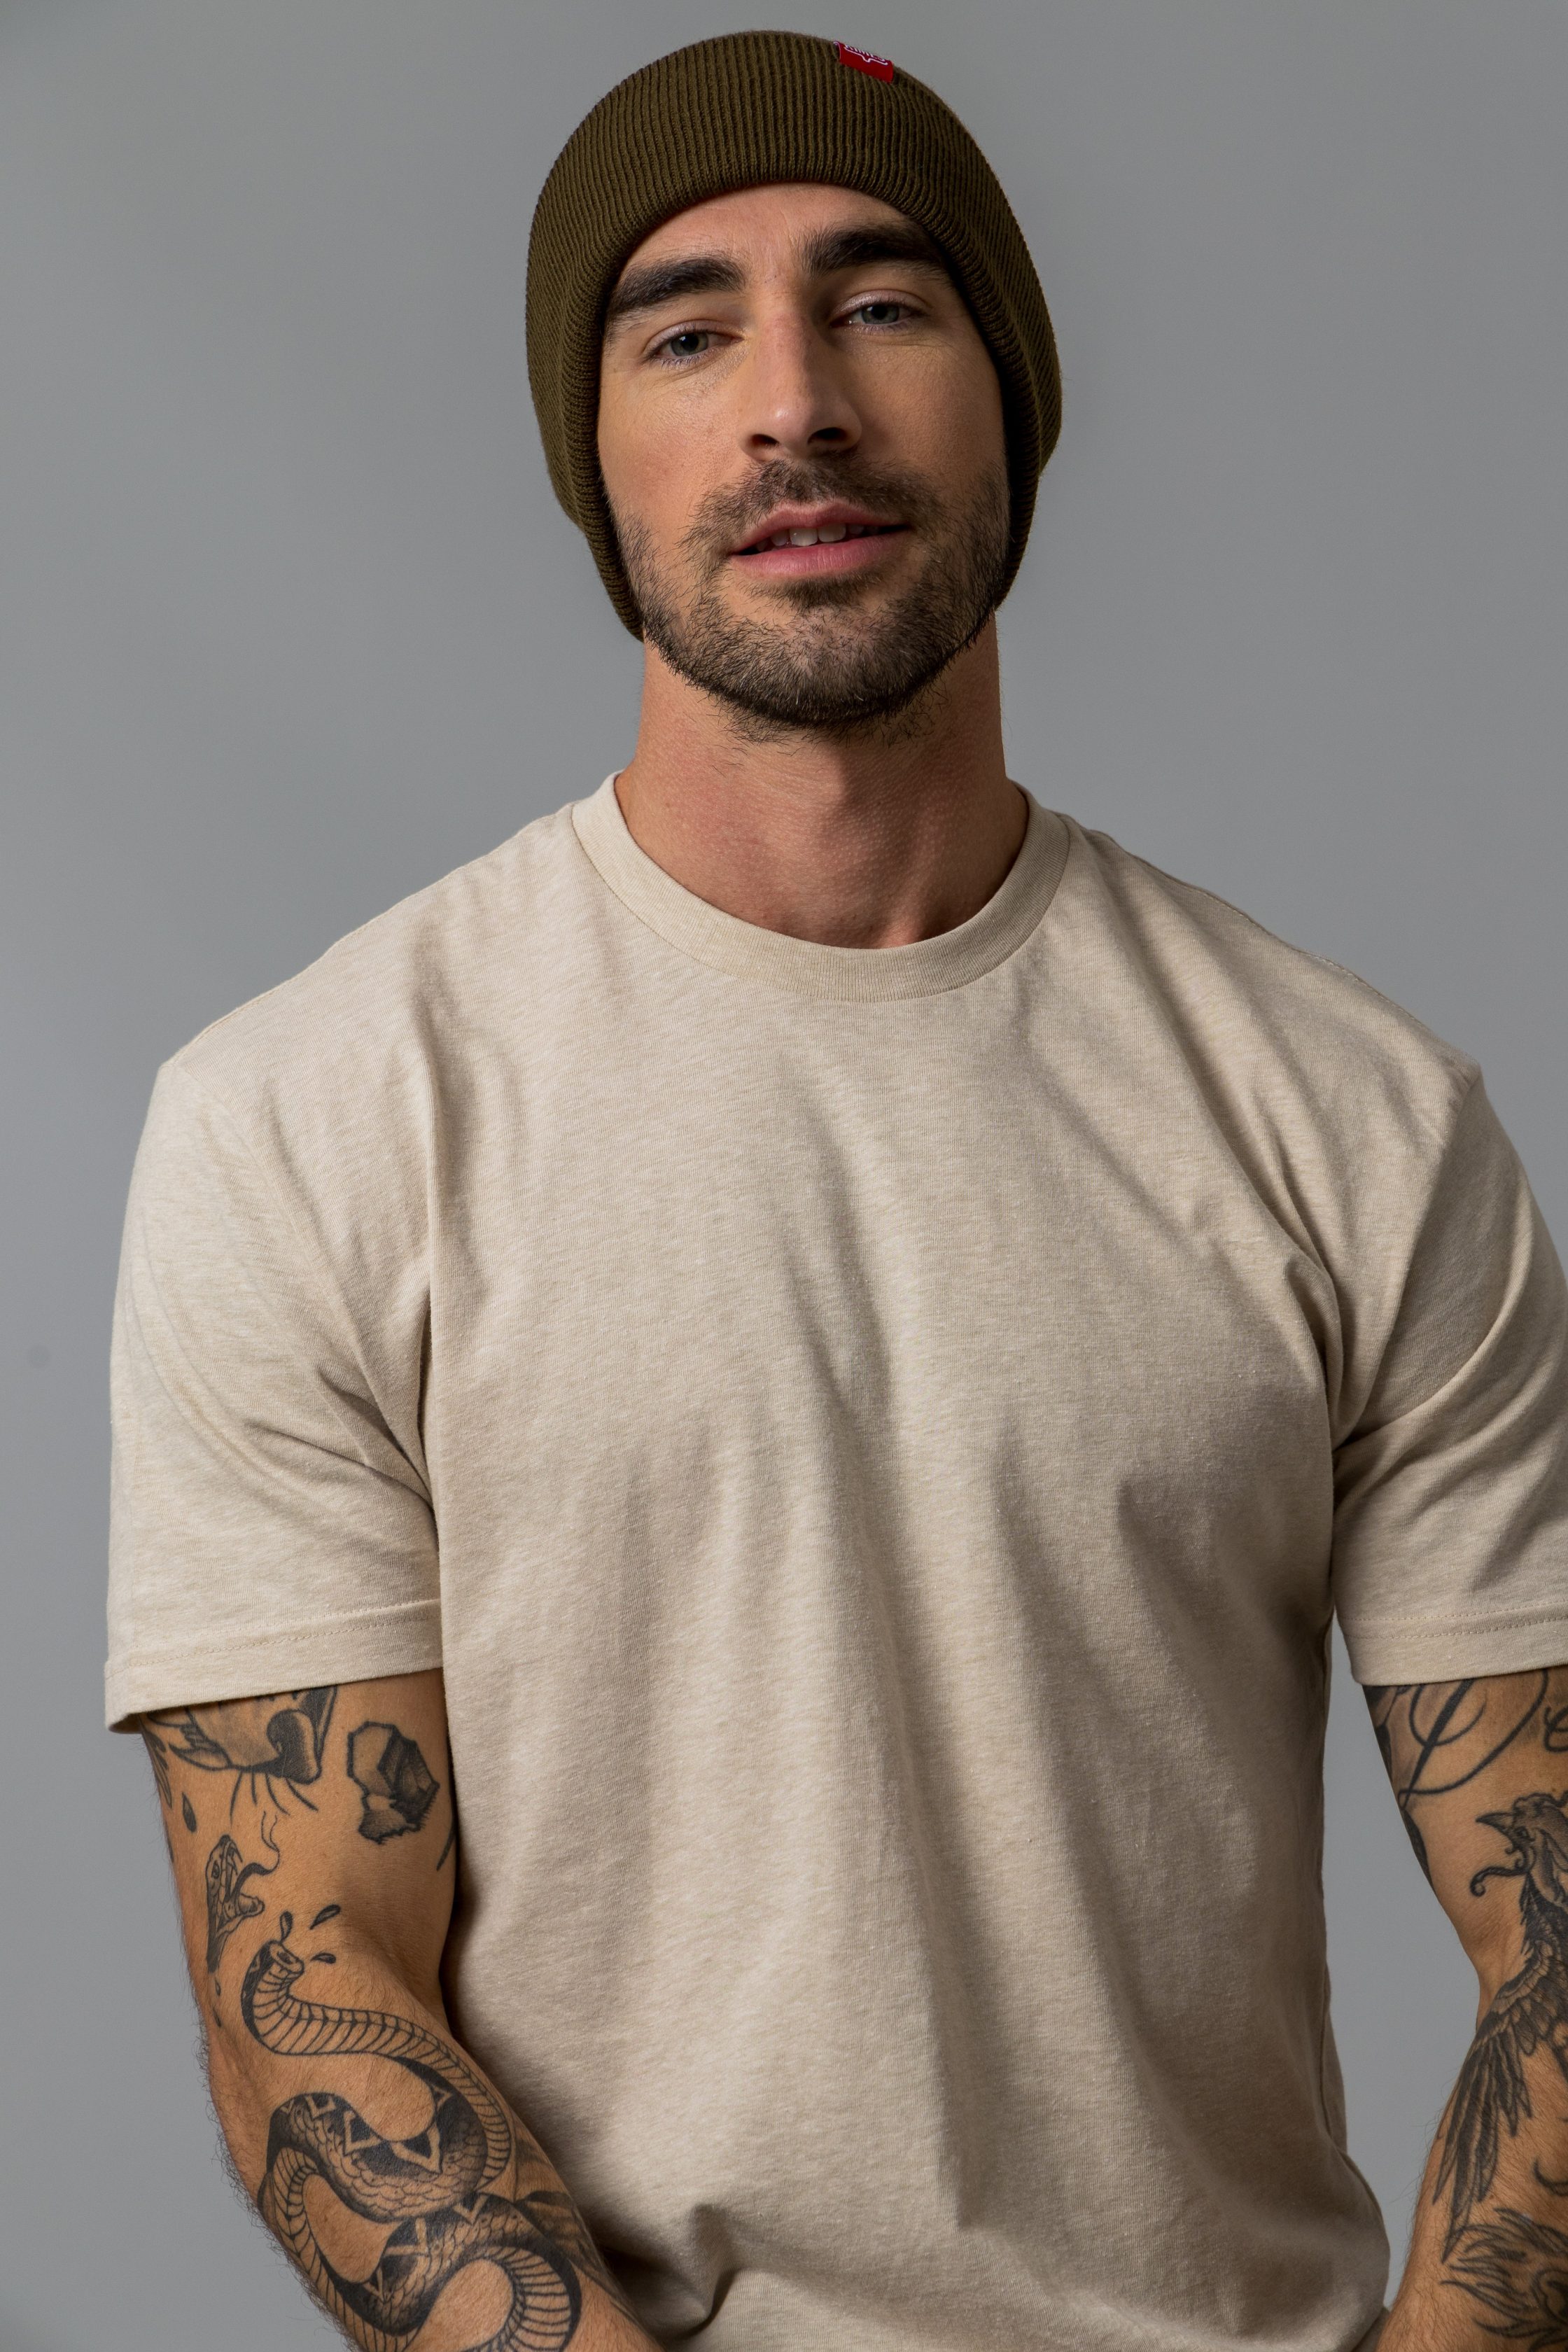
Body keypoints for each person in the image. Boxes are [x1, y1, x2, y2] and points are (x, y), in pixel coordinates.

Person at [107, 31, 1568, 2352]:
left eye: (883, 306)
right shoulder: (306, 1122)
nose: (795, 404)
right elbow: (308, 1987)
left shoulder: (1355, 1118)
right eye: (685, 334)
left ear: (1015, 403)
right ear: (594, 458)